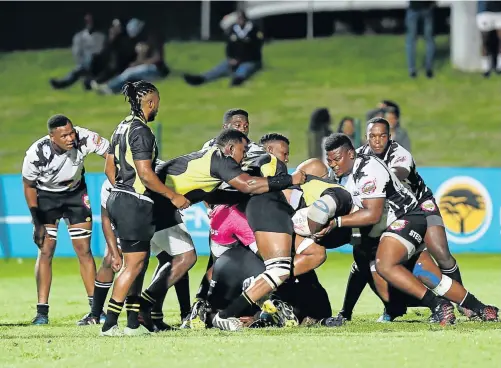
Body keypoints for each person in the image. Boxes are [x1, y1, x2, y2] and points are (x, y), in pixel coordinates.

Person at [322, 133, 498, 325]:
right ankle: (483, 309)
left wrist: (336, 223)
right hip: (391, 225)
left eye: (337, 159)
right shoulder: (341, 174)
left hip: (406, 218)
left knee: (385, 264)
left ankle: (438, 306)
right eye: (330, 160)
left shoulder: (368, 170)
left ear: (350, 154)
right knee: (431, 277)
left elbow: (372, 214)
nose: (333, 164)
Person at [137, 129, 305, 331]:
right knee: (185, 258)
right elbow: (248, 185)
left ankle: (153, 311)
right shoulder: (221, 159)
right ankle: (143, 308)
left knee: (171, 259)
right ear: (231, 148)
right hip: (155, 204)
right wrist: (290, 180)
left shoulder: (210, 157)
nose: (243, 156)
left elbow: (212, 194)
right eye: (242, 150)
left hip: (158, 205)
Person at [336, 117, 466, 322]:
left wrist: (374, 181)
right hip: (388, 211)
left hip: (418, 204)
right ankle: (385, 308)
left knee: (440, 252)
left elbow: (397, 174)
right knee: (364, 256)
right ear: (366, 137)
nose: (377, 141)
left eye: (382, 136)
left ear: (390, 137)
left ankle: (463, 303)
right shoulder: (359, 154)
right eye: (372, 136)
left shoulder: (400, 155)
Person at [100, 80, 190, 337]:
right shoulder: (141, 131)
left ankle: (132, 324)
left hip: (118, 198)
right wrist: (172, 196)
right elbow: (146, 174)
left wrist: (122, 188)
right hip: (134, 203)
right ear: (150, 102)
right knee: (134, 265)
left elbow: (109, 169)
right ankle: (109, 325)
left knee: (137, 263)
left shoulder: (120, 128)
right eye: (157, 103)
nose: (157, 108)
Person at [22, 114, 110, 325]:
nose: (71, 138)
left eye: (71, 132)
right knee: (46, 250)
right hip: (46, 197)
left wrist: (116, 179)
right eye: (64, 135)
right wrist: (37, 221)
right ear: (53, 137)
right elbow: (28, 185)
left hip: (75, 194)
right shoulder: (36, 153)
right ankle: (42, 312)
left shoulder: (85, 138)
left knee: (84, 249)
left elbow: (111, 154)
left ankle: (95, 310)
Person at [78, 179, 122, 325]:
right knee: (110, 259)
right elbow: (106, 219)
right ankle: (95, 314)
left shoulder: (152, 170)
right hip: (126, 219)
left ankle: (184, 312)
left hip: (153, 218)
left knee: (179, 256)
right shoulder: (109, 185)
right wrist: (115, 252)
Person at [184, 11, 264, 87]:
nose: (239, 21)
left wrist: (240, 59)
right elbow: (229, 46)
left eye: (241, 18)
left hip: (249, 60)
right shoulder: (233, 30)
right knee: (218, 69)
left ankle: (237, 81)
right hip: (234, 59)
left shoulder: (253, 30)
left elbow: (255, 49)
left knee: (243, 69)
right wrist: (231, 58)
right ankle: (200, 79)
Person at [92, 19, 170, 95]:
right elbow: (140, 61)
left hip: (156, 70)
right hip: (147, 69)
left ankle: (109, 87)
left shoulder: (153, 39)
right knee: (129, 74)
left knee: (129, 73)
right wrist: (138, 58)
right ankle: (111, 89)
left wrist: (141, 62)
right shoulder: (142, 43)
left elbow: (158, 59)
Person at [49, 13, 106, 89]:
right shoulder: (79, 36)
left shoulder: (101, 36)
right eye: (87, 21)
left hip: (98, 65)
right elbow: (77, 54)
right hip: (85, 65)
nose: (89, 24)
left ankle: (89, 80)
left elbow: (101, 52)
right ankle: (63, 83)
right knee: (79, 69)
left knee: (92, 57)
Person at [406, 1, 436, 78]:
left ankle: (412, 70)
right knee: (429, 39)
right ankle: (428, 69)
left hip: (414, 6)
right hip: (427, 7)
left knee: (411, 40)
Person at [476, 1, 501, 76]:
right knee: (485, 41)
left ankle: (499, 67)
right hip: (485, 11)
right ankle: (485, 68)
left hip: (499, 11)